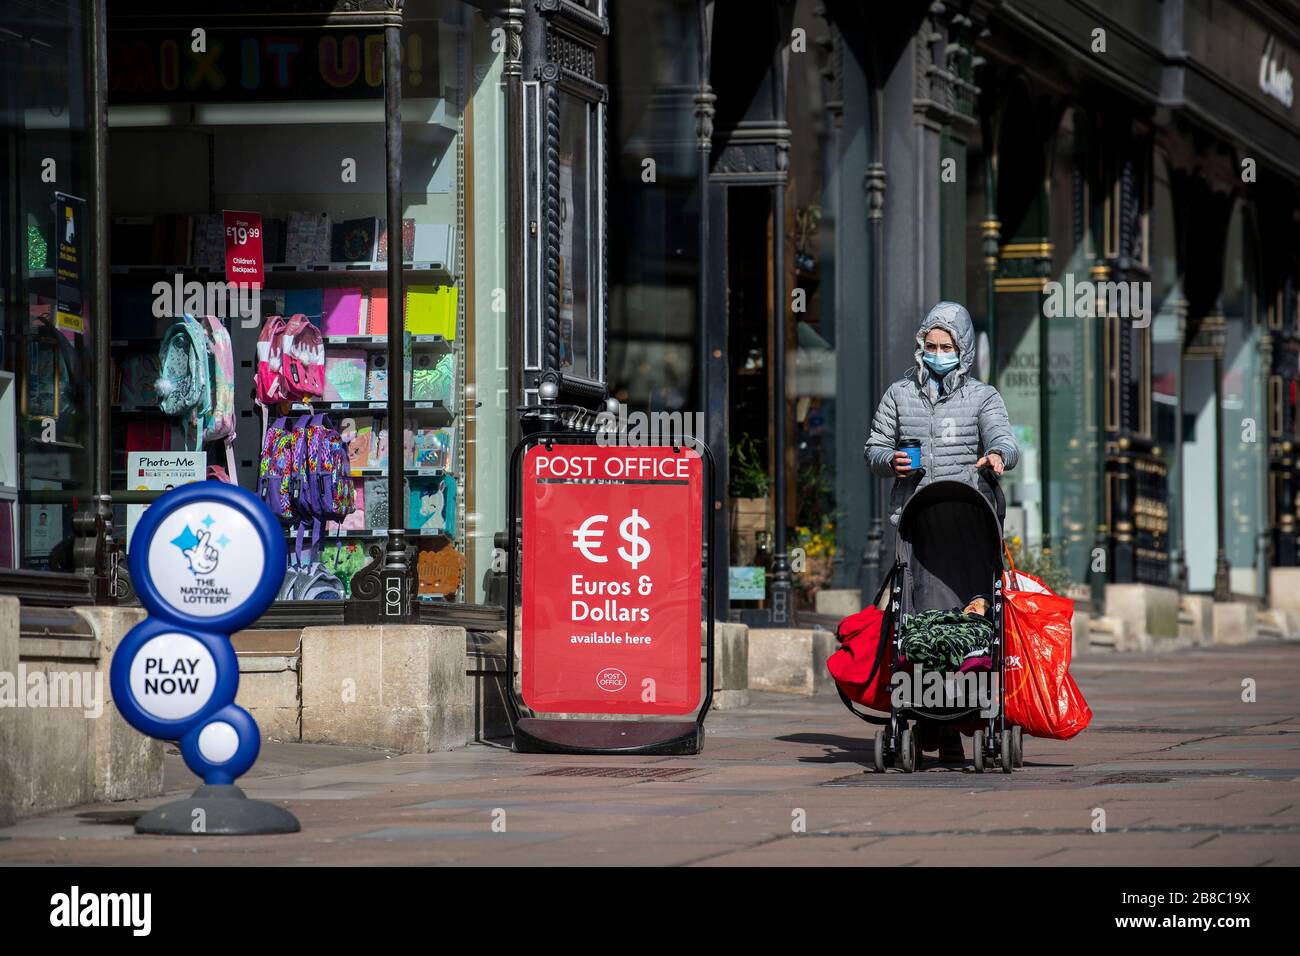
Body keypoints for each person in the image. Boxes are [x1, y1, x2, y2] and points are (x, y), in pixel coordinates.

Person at [865, 300, 1019, 762]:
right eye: (930, 345)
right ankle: (932, 723)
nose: (936, 353)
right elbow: (874, 446)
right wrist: (887, 460)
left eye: (945, 346)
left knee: (972, 621)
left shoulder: (982, 396)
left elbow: (1003, 439)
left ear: (963, 349)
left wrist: (997, 457)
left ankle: (966, 719)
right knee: (921, 621)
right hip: (918, 527)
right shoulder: (899, 395)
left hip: (968, 527)